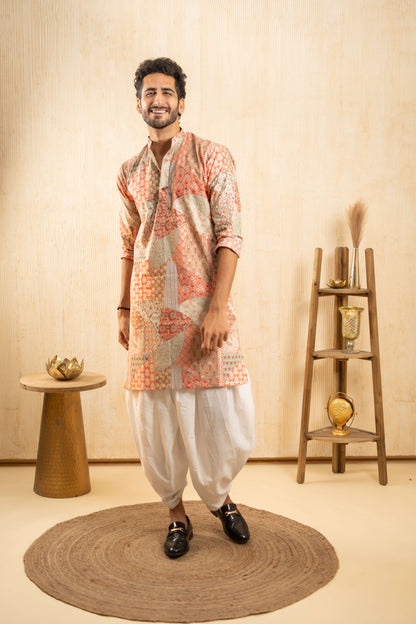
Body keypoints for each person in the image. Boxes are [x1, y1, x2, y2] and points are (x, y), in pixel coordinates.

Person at [117, 57, 255, 558]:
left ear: (181, 101)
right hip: (151, 313)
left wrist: (219, 308)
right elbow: (129, 243)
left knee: (225, 414)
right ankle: (176, 514)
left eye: (167, 93)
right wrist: (123, 308)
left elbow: (231, 234)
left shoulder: (212, 155)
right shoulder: (129, 171)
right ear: (138, 102)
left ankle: (219, 499)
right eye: (149, 93)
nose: (158, 101)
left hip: (203, 310)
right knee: (157, 419)